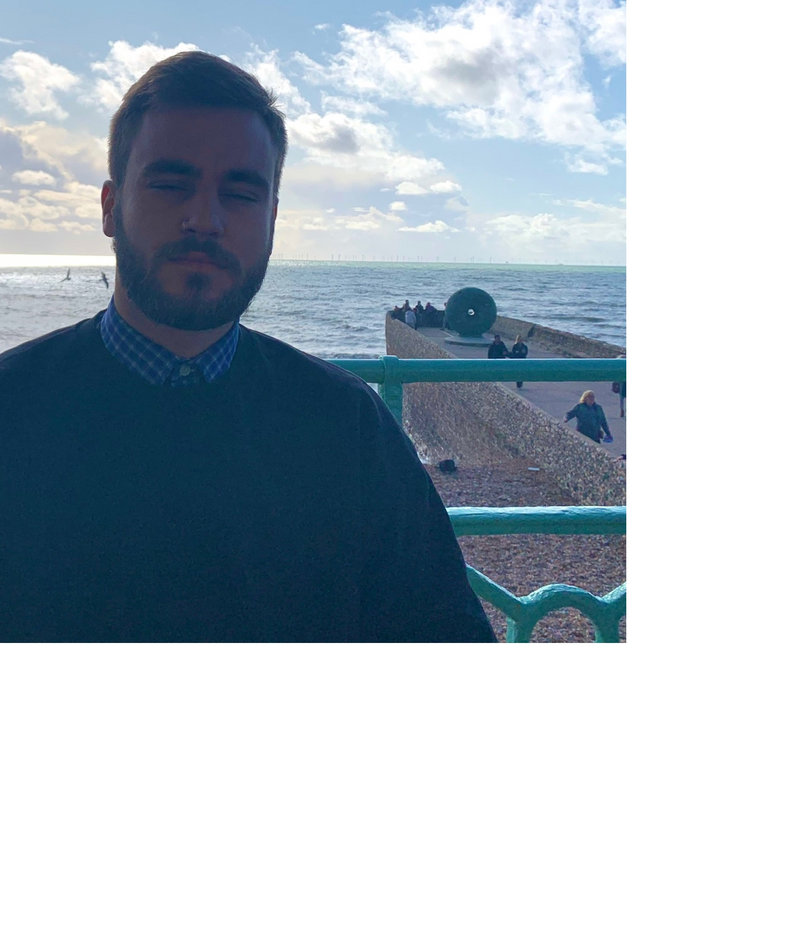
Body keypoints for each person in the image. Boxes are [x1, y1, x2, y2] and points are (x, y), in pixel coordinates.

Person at [0, 51, 495, 643]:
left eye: (240, 193)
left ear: (272, 221)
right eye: (170, 185)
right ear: (111, 207)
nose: (205, 219)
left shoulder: (347, 424)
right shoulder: (12, 409)